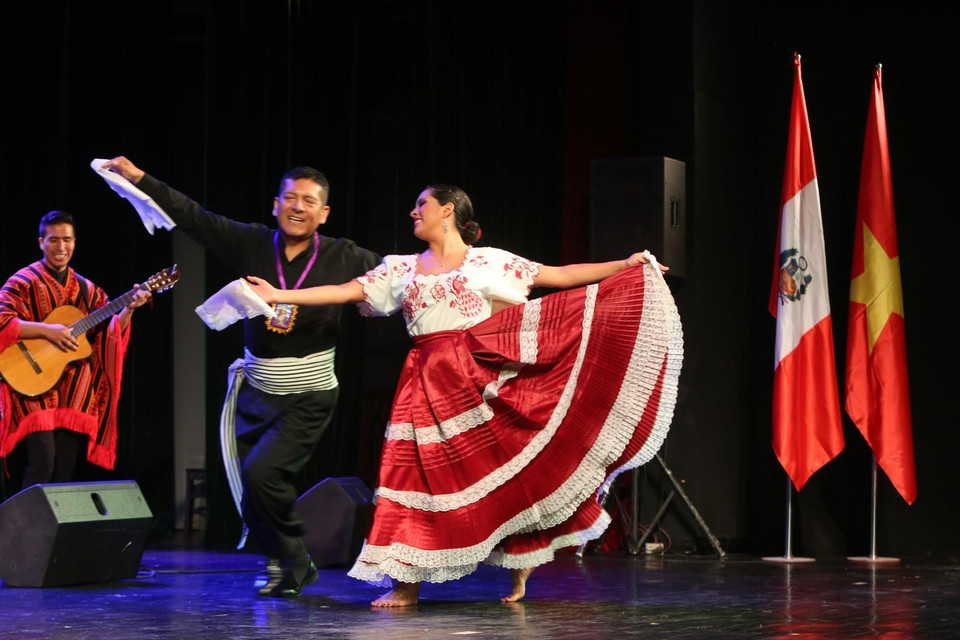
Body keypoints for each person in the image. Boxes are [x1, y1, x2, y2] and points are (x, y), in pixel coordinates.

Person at [246, 184, 684, 606]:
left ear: (447, 211)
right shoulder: (402, 268)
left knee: (503, 468)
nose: (414, 212)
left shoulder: (488, 262)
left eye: (422, 204)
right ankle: (405, 585)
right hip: (423, 382)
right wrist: (281, 293)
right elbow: (344, 292)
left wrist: (623, 266)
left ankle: (520, 562)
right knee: (408, 476)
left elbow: (560, 275)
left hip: (478, 379)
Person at [101, 157, 381, 597]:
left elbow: (400, 281)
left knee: (261, 473)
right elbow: (193, 216)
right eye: (290, 197)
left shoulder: (346, 256)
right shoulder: (251, 243)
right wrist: (139, 178)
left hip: (309, 392)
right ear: (275, 204)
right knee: (249, 491)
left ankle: (293, 559)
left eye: (309, 201)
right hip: (255, 389)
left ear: (323, 213)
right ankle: (289, 562)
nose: (298, 206)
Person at [0, 210, 152, 489]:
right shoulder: (22, 282)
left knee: (63, 471)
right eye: (54, 240)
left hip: (73, 386)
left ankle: (56, 532)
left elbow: (108, 332)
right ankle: (20, 530)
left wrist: (129, 308)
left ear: (74, 242)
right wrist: (49, 331)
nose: (61, 247)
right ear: (41, 242)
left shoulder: (88, 289)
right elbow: (3, 321)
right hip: (31, 380)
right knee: (42, 462)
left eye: (67, 240)